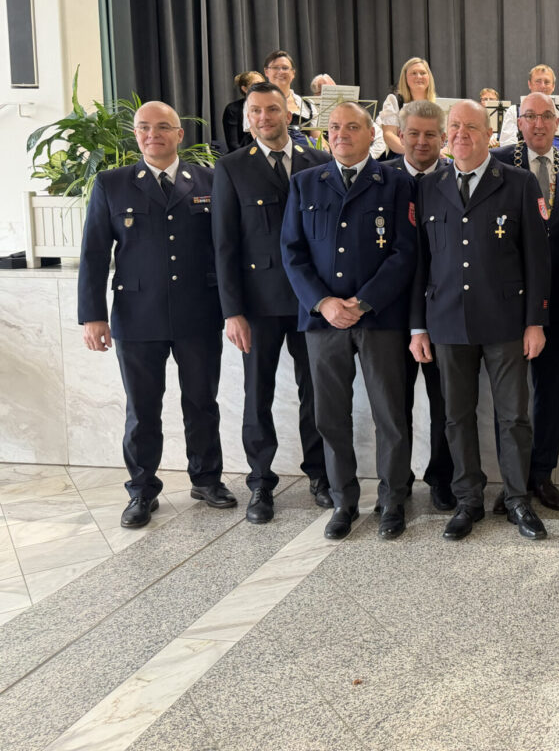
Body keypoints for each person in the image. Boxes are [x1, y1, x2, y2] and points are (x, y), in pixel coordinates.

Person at [78, 101, 236, 528]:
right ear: (136, 134)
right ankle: (141, 490)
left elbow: (226, 248)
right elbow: (94, 254)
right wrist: (93, 315)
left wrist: (234, 309)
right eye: (144, 127)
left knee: (201, 402)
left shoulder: (208, 180)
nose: (153, 134)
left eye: (163, 127)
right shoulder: (112, 184)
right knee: (142, 409)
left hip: (198, 312)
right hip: (137, 315)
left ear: (179, 134)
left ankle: (207, 479)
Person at [410, 101, 552, 542]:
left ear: (489, 135)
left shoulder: (519, 182)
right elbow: (420, 262)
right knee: (456, 416)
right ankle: (468, 500)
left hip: (506, 320)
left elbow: (538, 258)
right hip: (447, 320)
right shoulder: (429, 186)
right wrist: (417, 326)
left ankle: (517, 499)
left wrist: (536, 321)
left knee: (513, 418)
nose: (461, 134)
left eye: (471, 127)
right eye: (454, 127)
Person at [280, 102, 417, 541]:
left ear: (371, 132)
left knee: (390, 415)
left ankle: (393, 501)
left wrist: (365, 301)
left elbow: (405, 251)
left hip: (380, 318)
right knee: (330, 417)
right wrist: (323, 302)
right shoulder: (305, 183)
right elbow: (292, 252)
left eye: (352, 126)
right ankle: (343, 501)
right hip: (323, 322)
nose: (341, 133)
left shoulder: (395, 182)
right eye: (335, 127)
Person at [212, 82, 332, 522]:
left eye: (272, 109)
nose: (264, 117)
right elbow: (224, 245)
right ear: (248, 119)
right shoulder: (231, 168)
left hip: (311, 300)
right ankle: (261, 482)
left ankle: (319, 475)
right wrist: (232, 311)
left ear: (288, 113)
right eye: (256, 111)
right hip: (259, 304)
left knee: (315, 392)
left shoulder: (318, 161)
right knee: (257, 394)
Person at [492, 92, 559, 512]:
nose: (538, 123)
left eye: (546, 116)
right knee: (508, 398)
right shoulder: (498, 162)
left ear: (557, 122)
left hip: (558, 300)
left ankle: (542, 474)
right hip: (509, 300)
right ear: (519, 122)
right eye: (530, 116)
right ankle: (512, 481)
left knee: (548, 392)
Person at [385, 99, 455, 511]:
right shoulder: (382, 178)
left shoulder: (455, 179)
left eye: (431, 134)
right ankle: (397, 480)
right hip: (390, 315)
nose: (421, 141)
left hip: (442, 313)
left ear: (444, 137)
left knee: (445, 404)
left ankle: (441, 477)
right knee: (395, 405)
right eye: (413, 133)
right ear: (400, 135)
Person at [498, 64, 559, 156]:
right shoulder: (514, 111)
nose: (542, 86)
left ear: (553, 86)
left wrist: (555, 159)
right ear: (530, 84)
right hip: (524, 161)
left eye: (547, 82)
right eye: (538, 81)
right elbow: (507, 145)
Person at [378, 57, 437, 157]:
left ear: (429, 77)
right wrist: (415, 152)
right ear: (405, 78)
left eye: (423, 73)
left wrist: (443, 152)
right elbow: (389, 135)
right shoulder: (394, 100)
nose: (419, 76)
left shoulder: (438, 103)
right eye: (413, 73)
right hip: (403, 155)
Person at [221, 70, 264, 152]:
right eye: (256, 84)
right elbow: (233, 145)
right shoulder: (233, 109)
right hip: (242, 154)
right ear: (245, 89)